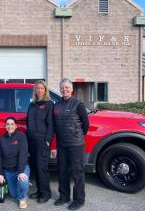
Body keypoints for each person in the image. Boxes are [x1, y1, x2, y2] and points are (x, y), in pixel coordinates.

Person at [53, 78, 89, 210]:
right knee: (62, 171)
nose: (64, 90)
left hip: (76, 144)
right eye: (62, 88)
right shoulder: (56, 105)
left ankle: (79, 200)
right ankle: (64, 196)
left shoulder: (78, 104)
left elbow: (86, 124)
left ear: (72, 89)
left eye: (67, 87)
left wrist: (76, 136)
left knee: (77, 172)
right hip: (62, 144)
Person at [26, 80, 54, 203]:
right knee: (36, 167)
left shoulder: (49, 104)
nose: (39, 90)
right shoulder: (32, 104)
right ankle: (39, 191)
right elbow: (28, 121)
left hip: (42, 141)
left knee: (42, 168)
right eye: (37, 88)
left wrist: (47, 140)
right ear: (35, 90)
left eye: (42, 88)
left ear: (45, 90)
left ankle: (46, 193)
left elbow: (51, 124)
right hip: (32, 141)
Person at [0, 117, 30, 209]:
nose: (10, 126)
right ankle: (22, 184)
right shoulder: (1, 139)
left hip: (21, 168)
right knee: (14, 195)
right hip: (9, 170)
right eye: (8, 124)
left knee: (23, 183)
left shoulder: (21, 136)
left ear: (16, 126)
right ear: (5, 126)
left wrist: (20, 171)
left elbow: (23, 154)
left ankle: (23, 197)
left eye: (12, 124)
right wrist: (0, 173)